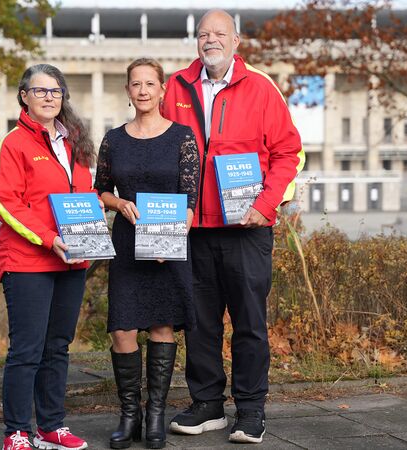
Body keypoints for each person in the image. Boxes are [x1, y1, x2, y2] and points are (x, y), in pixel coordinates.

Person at [160, 9, 305, 445]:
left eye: (219, 33)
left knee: (248, 322)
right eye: (203, 34)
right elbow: (158, 147)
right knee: (200, 322)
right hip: (193, 228)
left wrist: (267, 204)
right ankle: (207, 404)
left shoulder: (261, 87)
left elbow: (289, 152)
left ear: (236, 41)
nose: (211, 40)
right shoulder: (175, 88)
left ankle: (250, 409)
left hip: (246, 227)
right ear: (196, 41)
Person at [94, 58, 200, 450]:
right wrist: (119, 205)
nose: (142, 90)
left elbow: (191, 198)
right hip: (126, 242)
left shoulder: (182, 137)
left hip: (167, 244)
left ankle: (156, 412)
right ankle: (130, 414)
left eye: (149, 84)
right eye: (135, 84)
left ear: (162, 90)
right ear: (127, 91)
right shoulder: (113, 139)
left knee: (161, 326)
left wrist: (168, 240)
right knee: (121, 328)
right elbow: (100, 188)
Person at [0, 64, 95, 450]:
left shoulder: (76, 144)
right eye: (40, 91)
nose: (49, 97)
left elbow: (85, 198)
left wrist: (98, 221)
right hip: (28, 262)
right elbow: (6, 203)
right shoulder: (13, 144)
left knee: (57, 347)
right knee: (27, 350)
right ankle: (16, 432)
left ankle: (51, 427)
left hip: (73, 261)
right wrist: (49, 238)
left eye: (56, 91)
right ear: (24, 96)